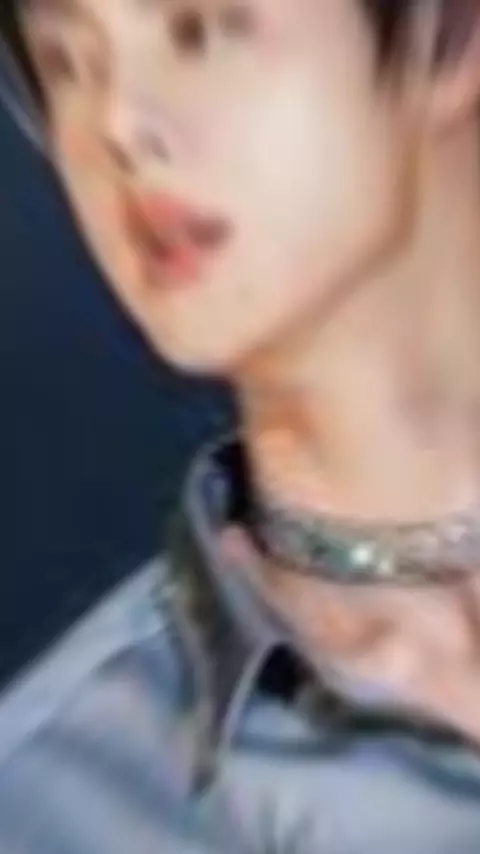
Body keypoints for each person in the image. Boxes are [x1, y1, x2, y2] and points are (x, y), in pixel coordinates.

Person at [3, 0, 480, 851]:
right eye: (69, 63)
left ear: (450, 32)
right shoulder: (53, 806)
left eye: (198, 30)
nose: (119, 125)